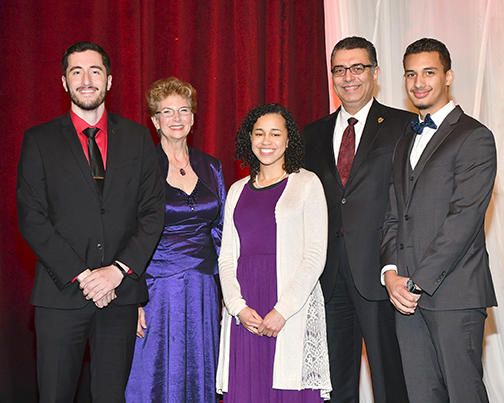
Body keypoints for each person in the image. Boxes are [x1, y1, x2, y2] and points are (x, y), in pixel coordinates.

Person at [16, 41, 165, 402]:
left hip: (121, 296)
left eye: (95, 71)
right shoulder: (39, 140)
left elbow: (153, 212)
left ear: (110, 81)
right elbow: (31, 218)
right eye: (76, 72)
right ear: (64, 82)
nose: (86, 79)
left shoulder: (137, 137)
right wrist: (85, 276)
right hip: (61, 294)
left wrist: (117, 271)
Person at [381, 38, 497, 403]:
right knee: (421, 395)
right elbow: (393, 214)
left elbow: (463, 220)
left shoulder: (475, 137)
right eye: (411, 74)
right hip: (405, 298)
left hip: (454, 296)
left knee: (465, 393)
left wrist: (417, 282)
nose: (419, 82)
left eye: (428, 72)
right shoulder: (404, 142)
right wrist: (390, 274)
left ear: (447, 77)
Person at [302, 36, 411, 403]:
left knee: (390, 381)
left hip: (383, 274)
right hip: (328, 278)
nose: (349, 77)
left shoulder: (404, 126)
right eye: (340, 69)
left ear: (375, 72)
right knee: (334, 386)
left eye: (358, 67)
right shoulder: (311, 134)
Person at [216, 103, 331, 402]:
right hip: (246, 310)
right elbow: (226, 257)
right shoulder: (237, 190)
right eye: (259, 133)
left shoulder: (307, 183)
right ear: (249, 138)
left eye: (275, 133)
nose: (266, 141)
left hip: (289, 307)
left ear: (288, 140)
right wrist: (237, 307)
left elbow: (315, 255)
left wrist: (283, 311)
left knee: (289, 390)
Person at [125, 77, 226, 403]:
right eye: (167, 112)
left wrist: (228, 292)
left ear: (194, 117)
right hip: (156, 290)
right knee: (154, 375)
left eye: (184, 110)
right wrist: (134, 297)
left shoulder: (211, 166)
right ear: (155, 121)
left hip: (203, 289)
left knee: (200, 373)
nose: (177, 118)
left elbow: (222, 230)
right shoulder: (140, 168)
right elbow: (128, 234)